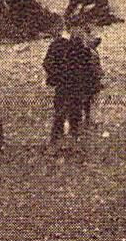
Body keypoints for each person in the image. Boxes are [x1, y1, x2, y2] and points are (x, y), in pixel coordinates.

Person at [43, 19, 102, 148]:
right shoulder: (70, 46)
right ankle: (61, 142)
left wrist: (55, 77)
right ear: (73, 29)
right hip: (67, 86)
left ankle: (64, 142)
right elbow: (48, 64)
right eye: (80, 29)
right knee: (64, 114)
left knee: (70, 114)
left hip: (71, 86)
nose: (82, 33)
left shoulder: (70, 46)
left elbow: (47, 64)